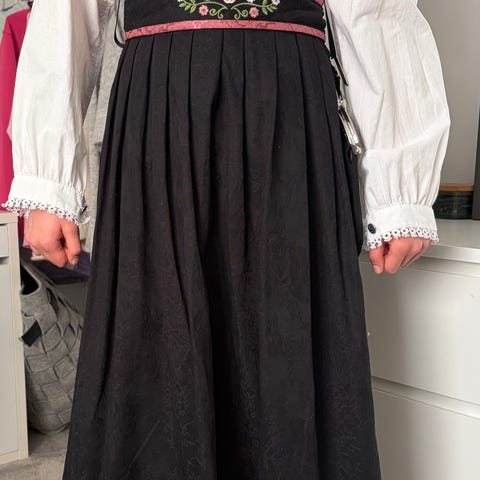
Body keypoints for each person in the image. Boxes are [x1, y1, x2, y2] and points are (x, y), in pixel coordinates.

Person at [2, 0, 450, 478]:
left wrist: (401, 186)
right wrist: (47, 184)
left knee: (287, 335)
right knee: (156, 339)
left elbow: (374, 10)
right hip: (162, 108)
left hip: (289, 105)